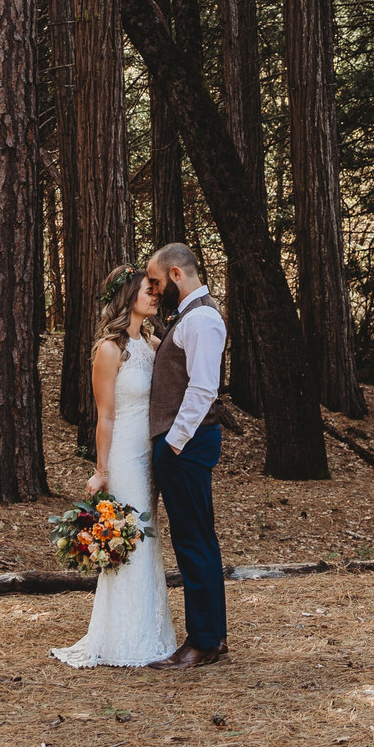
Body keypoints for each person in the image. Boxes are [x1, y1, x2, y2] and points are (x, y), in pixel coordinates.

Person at [49, 265, 180, 669]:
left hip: (150, 455)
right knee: (133, 539)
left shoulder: (153, 343)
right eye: (148, 290)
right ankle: (123, 638)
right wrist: (101, 469)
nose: (155, 296)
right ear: (128, 297)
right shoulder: (109, 349)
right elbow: (104, 416)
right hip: (124, 453)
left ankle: (150, 629)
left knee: (149, 538)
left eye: (156, 291)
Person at [144, 242, 229, 668]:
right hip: (186, 443)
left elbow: (202, 389)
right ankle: (212, 635)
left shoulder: (204, 319)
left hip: (188, 444)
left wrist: (174, 442)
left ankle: (203, 642)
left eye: (157, 281)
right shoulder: (191, 319)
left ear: (176, 274)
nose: (155, 291)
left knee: (193, 540)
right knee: (197, 538)